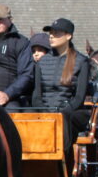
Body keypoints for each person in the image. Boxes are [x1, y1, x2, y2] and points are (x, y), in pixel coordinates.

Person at [32, 18, 91, 148]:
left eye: (56, 33)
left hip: (70, 113)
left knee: (64, 120)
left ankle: (61, 155)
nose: (51, 36)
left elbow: (79, 97)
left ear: (68, 36)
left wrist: (61, 113)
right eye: (50, 33)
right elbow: (36, 95)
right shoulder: (42, 62)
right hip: (45, 111)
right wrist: (45, 113)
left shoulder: (81, 61)